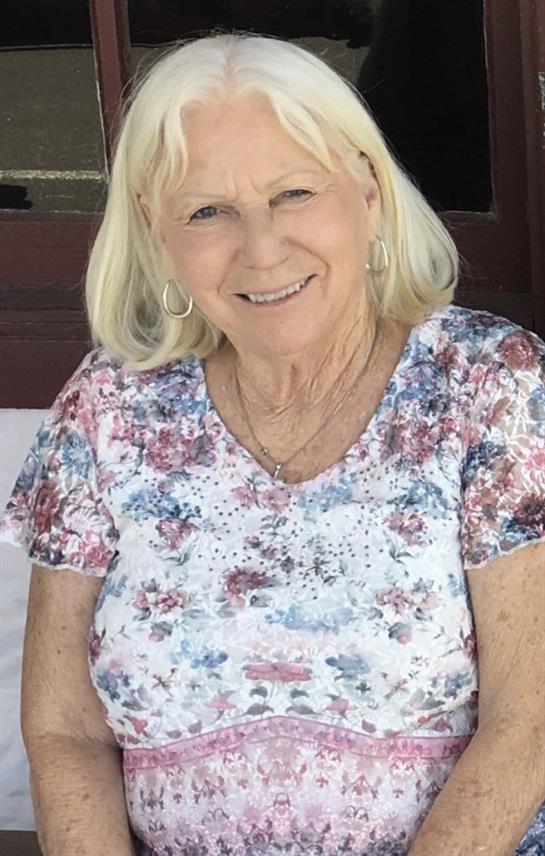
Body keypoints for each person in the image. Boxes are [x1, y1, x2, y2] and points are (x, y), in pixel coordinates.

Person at [0, 32, 544, 856]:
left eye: (293, 193)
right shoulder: (107, 406)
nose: (260, 248)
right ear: (156, 229)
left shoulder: (488, 384)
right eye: (207, 210)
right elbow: (64, 725)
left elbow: (528, 719)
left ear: (366, 189)